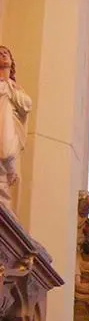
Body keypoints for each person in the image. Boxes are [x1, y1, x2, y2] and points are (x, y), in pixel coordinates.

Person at [0, 45, 32, 205]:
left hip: (8, 126)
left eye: (6, 53)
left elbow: (26, 105)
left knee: (7, 156)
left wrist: (9, 86)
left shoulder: (15, 87)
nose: (2, 55)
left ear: (12, 62)